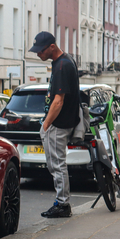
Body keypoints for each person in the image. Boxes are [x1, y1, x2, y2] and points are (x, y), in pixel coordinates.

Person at [29, 31, 80, 218]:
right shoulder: (66, 61)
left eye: (40, 50)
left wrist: (46, 125)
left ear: (52, 47)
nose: (38, 54)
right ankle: (62, 202)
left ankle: (63, 204)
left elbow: (58, 101)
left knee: (57, 165)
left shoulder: (61, 66)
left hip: (58, 124)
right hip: (60, 123)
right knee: (57, 165)